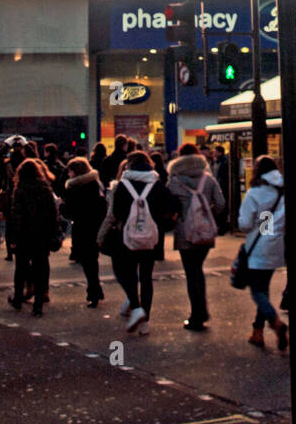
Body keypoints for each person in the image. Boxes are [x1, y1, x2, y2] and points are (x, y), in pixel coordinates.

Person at [109, 151, 174, 335]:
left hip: (128, 236)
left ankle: (135, 307)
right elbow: (169, 207)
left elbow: (116, 212)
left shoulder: (123, 185)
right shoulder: (157, 184)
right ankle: (145, 320)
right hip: (151, 237)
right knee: (146, 277)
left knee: (128, 273)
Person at [167, 144, 226, 331]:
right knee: (198, 270)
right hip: (205, 232)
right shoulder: (208, 179)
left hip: (185, 232)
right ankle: (202, 311)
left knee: (191, 273)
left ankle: (197, 315)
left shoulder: (174, 181)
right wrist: (209, 216)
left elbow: (168, 207)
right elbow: (221, 204)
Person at [238, 155, 288, 351]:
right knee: (263, 288)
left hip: (258, 247)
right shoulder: (283, 190)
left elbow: (244, 224)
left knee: (257, 291)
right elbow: (269, 220)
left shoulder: (255, 193)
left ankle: (276, 323)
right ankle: (257, 331)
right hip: (276, 245)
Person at [8, 158, 60, 316]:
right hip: (42, 234)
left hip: (24, 234)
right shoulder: (45, 188)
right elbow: (53, 213)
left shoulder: (20, 189)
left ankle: (18, 297)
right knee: (41, 268)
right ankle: (38, 303)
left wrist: (13, 238)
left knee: (21, 268)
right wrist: (53, 232)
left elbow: (16, 215)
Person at [60, 157, 107, 307]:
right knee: (92, 260)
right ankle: (95, 289)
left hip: (82, 227)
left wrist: (61, 207)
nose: (68, 175)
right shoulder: (95, 184)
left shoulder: (74, 188)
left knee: (88, 262)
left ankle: (93, 291)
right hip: (96, 226)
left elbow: (68, 212)